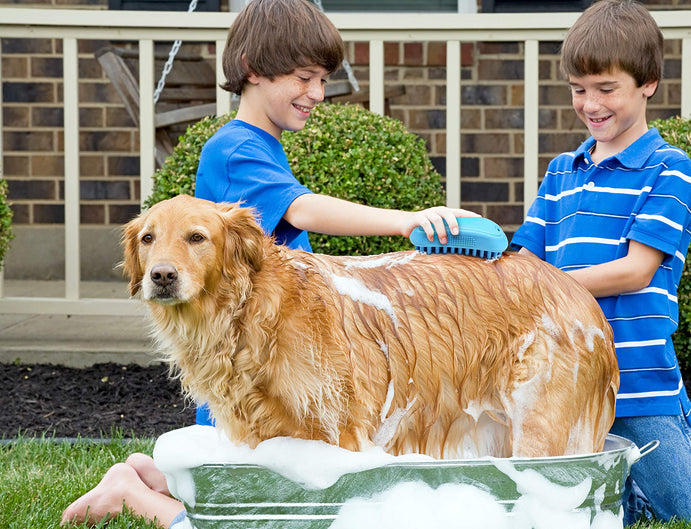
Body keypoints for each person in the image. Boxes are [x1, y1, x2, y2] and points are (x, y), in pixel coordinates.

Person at [62, 0, 476, 527]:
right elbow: (302, 207)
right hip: (252, 370)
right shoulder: (235, 150)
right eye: (305, 78)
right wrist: (405, 221)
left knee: (259, 484)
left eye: (323, 80)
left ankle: (145, 475)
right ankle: (137, 494)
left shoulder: (261, 144)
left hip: (272, 354)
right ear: (254, 71)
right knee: (258, 508)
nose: (318, 94)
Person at [509, 0, 691, 526]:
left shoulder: (668, 169)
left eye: (605, 88)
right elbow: (523, 262)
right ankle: (637, 494)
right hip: (570, 381)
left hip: (642, 383)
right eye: (578, 89)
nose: (590, 104)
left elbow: (635, 271)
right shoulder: (560, 173)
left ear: (648, 82)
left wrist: (545, 286)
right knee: (594, 514)